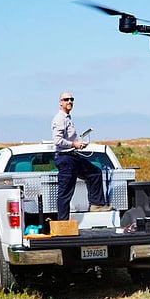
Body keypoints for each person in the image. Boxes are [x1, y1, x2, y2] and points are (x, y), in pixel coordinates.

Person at [51, 91, 112, 220]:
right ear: (60, 102)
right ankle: (63, 223)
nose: (69, 102)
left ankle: (97, 204)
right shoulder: (60, 119)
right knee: (65, 192)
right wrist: (74, 144)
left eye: (72, 99)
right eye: (66, 99)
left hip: (72, 157)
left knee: (94, 173)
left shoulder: (67, 118)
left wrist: (78, 143)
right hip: (65, 158)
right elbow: (57, 141)